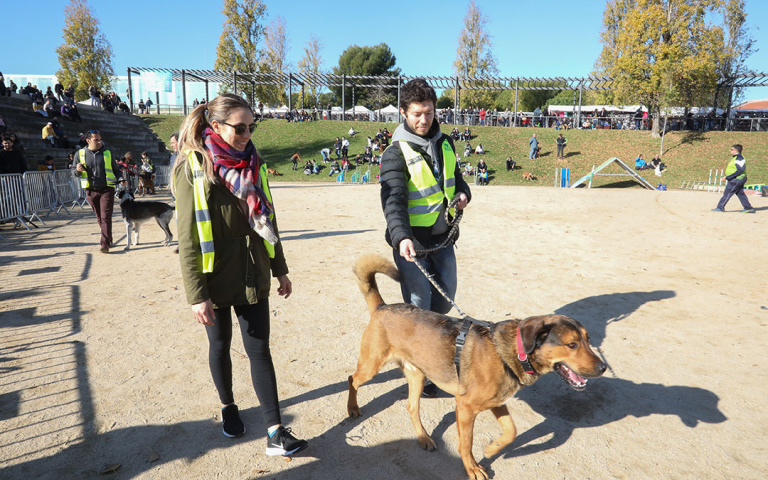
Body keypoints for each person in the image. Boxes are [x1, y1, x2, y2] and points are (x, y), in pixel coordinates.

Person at [172, 93, 308, 456]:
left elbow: (268, 219)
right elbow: (187, 236)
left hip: (253, 271)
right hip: (214, 278)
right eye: (239, 127)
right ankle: (228, 406)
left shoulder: (254, 161)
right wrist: (196, 294)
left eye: (251, 126)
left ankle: (276, 432)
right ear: (215, 126)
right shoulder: (194, 167)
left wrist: (280, 269)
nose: (247, 133)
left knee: (260, 349)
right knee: (220, 346)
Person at [380, 78, 471, 398]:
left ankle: (422, 354)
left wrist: (463, 193)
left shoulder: (446, 143)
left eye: (429, 112)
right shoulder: (394, 153)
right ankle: (423, 370)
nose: (423, 119)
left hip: (443, 239)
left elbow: (457, 178)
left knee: (444, 302)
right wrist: (401, 236)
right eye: (417, 113)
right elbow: (392, 202)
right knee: (420, 312)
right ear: (403, 112)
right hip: (411, 246)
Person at [73, 130, 122, 253]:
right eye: (96, 140)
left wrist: (120, 178)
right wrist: (78, 170)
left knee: (105, 217)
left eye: (100, 139)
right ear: (88, 140)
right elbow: (73, 172)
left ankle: (104, 243)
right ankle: (108, 237)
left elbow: (117, 170)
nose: (99, 142)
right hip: (90, 191)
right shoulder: (80, 153)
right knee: (99, 217)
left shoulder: (107, 153)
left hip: (107, 189)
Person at [712, 144, 755, 213]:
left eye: (732, 149)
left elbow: (740, 170)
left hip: (737, 179)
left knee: (727, 193)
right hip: (736, 179)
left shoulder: (740, 158)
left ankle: (720, 207)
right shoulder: (736, 158)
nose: (730, 151)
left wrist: (728, 177)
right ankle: (748, 208)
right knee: (740, 193)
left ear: (736, 150)